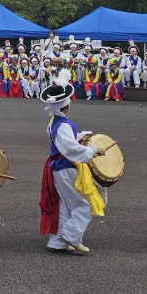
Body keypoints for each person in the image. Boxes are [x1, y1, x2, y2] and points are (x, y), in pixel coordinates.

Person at [39, 69, 106, 253]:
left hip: (58, 168)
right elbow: (70, 148)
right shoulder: (63, 125)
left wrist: (84, 135)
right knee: (83, 205)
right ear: (67, 106)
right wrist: (93, 150)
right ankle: (70, 236)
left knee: (64, 206)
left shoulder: (54, 122)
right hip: (65, 168)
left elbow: (67, 139)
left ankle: (57, 241)